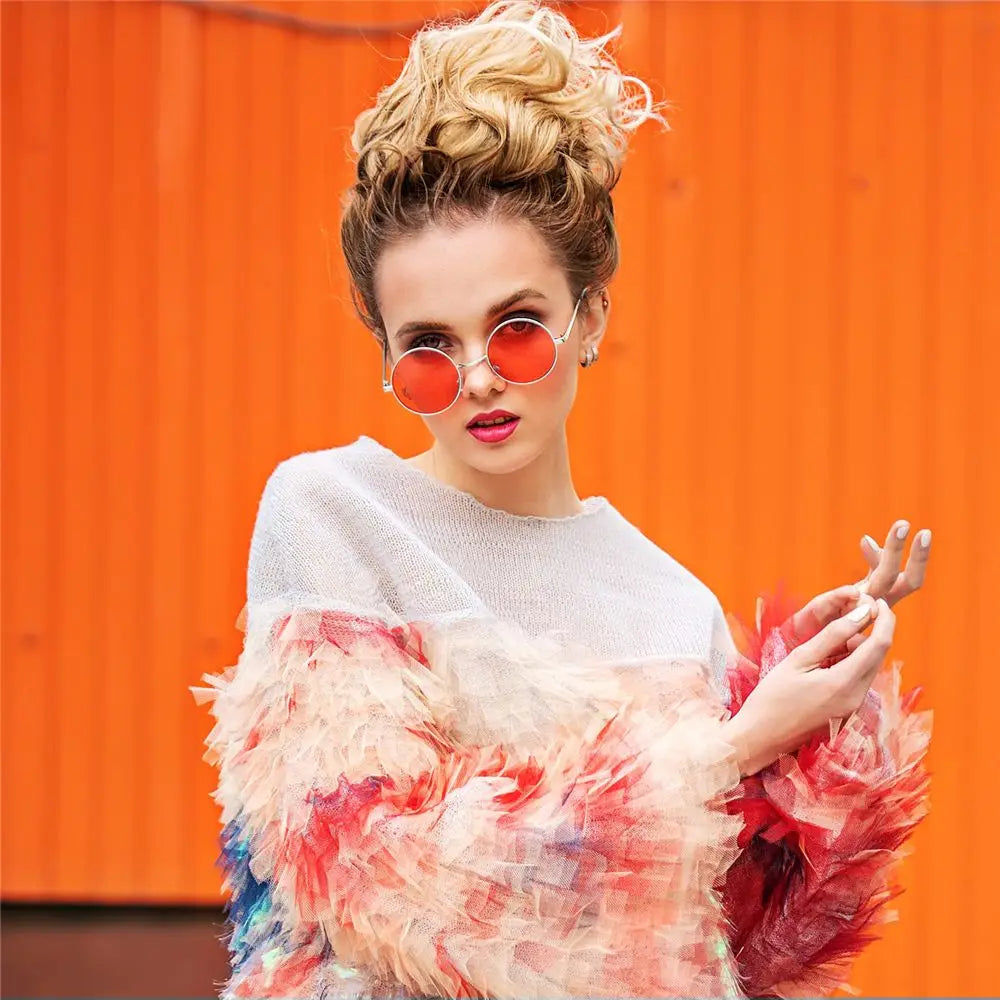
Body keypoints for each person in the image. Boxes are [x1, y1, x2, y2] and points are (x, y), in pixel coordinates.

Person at [192, 3, 933, 997]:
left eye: (517, 329)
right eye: (427, 349)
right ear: (383, 355)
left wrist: (825, 710)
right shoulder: (334, 515)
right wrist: (727, 750)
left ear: (591, 315)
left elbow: (735, 959)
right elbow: (367, 874)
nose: (479, 379)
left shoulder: (671, 607)